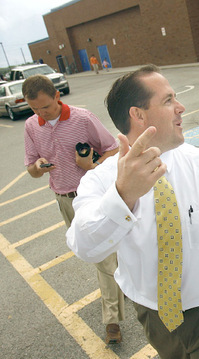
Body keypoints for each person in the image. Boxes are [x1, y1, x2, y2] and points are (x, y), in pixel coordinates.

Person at [66, 64, 199, 358]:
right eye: (168, 100)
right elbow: (85, 246)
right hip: (155, 318)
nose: (181, 107)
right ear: (138, 115)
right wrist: (123, 195)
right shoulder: (101, 180)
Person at [23, 74, 125, 345]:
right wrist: (38, 167)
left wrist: (91, 166)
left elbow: (113, 150)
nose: (41, 113)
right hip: (64, 199)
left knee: (102, 257)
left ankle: (112, 320)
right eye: (35, 108)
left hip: (93, 197)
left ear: (57, 95)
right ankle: (123, 280)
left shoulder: (82, 118)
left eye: (45, 106)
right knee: (93, 252)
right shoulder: (32, 126)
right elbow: (31, 168)